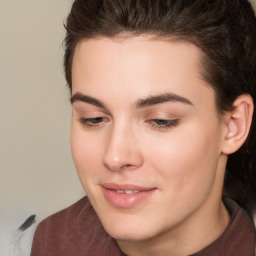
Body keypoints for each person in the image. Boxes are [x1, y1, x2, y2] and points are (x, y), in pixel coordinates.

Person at [31, 0, 256, 255]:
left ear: (233, 126)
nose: (115, 156)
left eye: (161, 120)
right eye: (93, 118)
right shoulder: (54, 240)